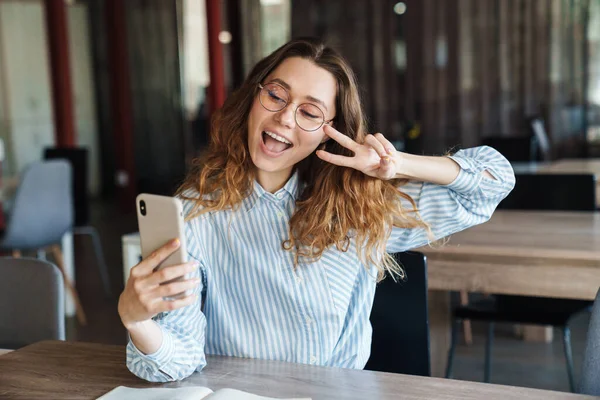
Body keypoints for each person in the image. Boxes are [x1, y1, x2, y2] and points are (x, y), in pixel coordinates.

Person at [118, 38, 515, 382]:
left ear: (333, 131)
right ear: (253, 98)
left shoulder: (355, 207)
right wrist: (136, 320)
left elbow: (493, 183)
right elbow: (177, 362)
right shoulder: (195, 211)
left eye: (309, 112)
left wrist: (398, 164)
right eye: (276, 95)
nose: (284, 118)